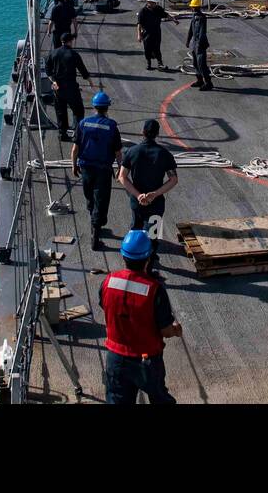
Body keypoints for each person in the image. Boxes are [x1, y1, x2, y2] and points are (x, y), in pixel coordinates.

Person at [99, 230, 181, 404]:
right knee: (160, 398)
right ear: (148, 258)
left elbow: (105, 307)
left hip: (116, 358)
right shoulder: (155, 290)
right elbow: (165, 331)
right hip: (146, 360)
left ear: (123, 256)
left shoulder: (108, 281)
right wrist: (175, 330)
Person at [74, 91, 123, 250]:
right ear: (107, 107)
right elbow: (117, 153)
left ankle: (94, 219)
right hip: (103, 169)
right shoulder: (112, 125)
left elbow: (75, 148)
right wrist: (120, 168)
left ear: (94, 106)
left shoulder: (83, 123)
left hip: (86, 167)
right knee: (101, 200)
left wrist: (73, 165)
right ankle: (95, 237)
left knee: (89, 195)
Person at [119, 119, 179, 237]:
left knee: (135, 232)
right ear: (157, 134)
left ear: (143, 132)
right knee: (153, 235)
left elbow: (122, 177)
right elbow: (173, 180)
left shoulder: (132, 152)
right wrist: (155, 194)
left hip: (137, 202)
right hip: (156, 203)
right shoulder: (164, 154)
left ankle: (136, 253)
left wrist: (138, 195)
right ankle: (152, 252)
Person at [45, 32, 92, 141]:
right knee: (78, 110)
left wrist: (54, 81)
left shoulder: (53, 53)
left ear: (62, 41)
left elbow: (47, 69)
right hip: (71, 87)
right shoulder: (73, 54)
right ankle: (77, 134)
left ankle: (62, 134)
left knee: (60, 111)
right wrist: (90, 81)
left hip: (58, 88)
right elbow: (82, 69)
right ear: (70, 41)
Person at [136, 0, 176, 70]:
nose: (155, 4)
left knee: (157, 48)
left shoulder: (158, 9)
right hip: (146, 33)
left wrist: (173, 19)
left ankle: (160, 64)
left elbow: (165, 14)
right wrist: (139, 35)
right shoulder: (143, 11)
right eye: (154, 3)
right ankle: (149, 63)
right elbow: (139, 24)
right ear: (149, 2)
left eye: (155, 3)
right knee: (147, 48)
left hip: (157, 32)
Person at [185, 0, 213, 91]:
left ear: (197, 7)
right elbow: (191, 30)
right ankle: (199, 80)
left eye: (193, 6)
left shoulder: (202, 18)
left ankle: (208, 83)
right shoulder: (194, 17)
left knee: (201, 64)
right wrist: (188, 40)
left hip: (200, 45)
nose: (192, 8)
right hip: (194, 44)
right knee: (195, 63)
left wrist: (199, 45)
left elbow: (202, 33)